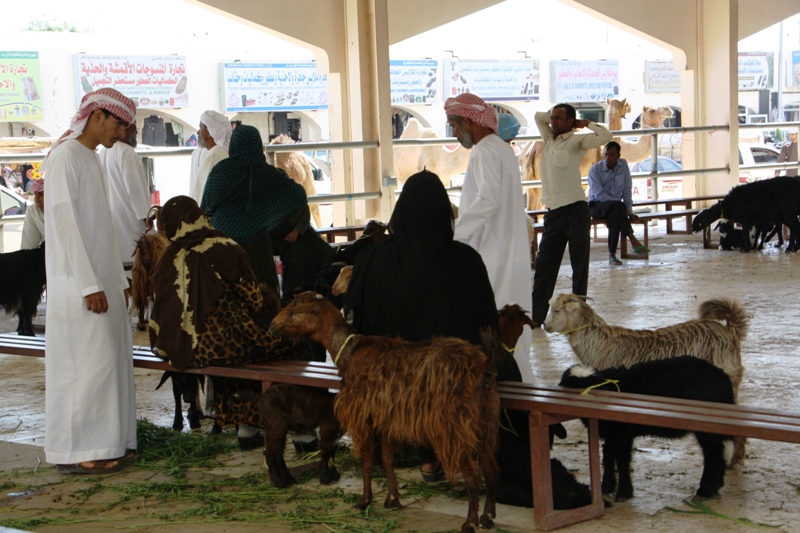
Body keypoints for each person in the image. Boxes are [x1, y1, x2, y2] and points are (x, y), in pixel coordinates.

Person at [344, 170, 517, 481]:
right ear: (443, 212)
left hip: (390, 378)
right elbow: (487, 324)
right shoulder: (464, 260)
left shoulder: (371, 258)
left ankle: (419, 454)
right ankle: (461, 454)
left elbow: (358, 321)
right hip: (448, 379)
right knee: (502, 366)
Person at [149, 195, 308, 449]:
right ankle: (302, 432)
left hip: (173, 347)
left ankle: (248, 428)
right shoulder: (223, 245)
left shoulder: (167, 257)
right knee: (293, 345)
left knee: (242, 347)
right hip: (217, 347)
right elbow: (253, 300)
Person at [42, 88, 137, 475]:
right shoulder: (65, 158)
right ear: (97, 116)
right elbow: (66, 226)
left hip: (102, 280)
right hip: (78, 285)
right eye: (118, 124)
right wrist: (89, 285)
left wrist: (118, 277)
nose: (122, 134)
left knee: (109, 363)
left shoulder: (91, 158)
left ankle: (112, 439)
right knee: (85, 368)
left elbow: (103, 229)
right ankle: (80, 448)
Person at [444, 93, 534, 383]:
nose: (455, 133)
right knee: (513, 327)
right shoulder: (502, 148)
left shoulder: (484, 151)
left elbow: (488, 201)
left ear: (469, 121)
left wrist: (453, 236)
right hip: (509, 249)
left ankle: (509, 395)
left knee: (495, 326)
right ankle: (521, 388)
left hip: (491, 253)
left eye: (455, 126)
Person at [201, 125, 326, 295]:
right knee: (264, 288)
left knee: (226, 292)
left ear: (233, 146)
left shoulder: (220, 171)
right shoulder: (269, 174)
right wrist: (268, 214)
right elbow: (297, 195)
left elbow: (206, 208)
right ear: (259, 146)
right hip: (256, 241)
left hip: (224, 243)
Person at [531, 104, 612, 325]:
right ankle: (536, 317)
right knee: (544, 266)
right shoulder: (549, 138)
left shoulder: (577, 141)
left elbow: (605, 135)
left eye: (559, 118)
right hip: (554, 213)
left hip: (576, 210)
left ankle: (580, 316)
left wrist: (584, 124)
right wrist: (552, 115)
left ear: (570, 122)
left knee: (579, 267)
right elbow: (538, 116)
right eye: (553, 118)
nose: (553, 121)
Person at [99, 120, 152, 269]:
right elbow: (134, 189)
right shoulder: (126, 152)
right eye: (134, 129)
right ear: (123, 129)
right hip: (130, 219)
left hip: (113, 218)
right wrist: (147, 218)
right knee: (137, 268)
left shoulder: (104, 152)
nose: (136, 133)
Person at [588, 141, 649, 265]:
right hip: (597, 205)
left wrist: (629, 211)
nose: (607, 158)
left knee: (614, 217)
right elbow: (598, 194)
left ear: (618, 156)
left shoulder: (623, 166)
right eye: (606, 155)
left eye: (611, 155)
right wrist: (622, 206)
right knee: (618, 207)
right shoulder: (595, 169)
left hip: (616, 209)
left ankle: (612, 256)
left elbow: (627, 190)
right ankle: (633, 240)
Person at [190, 110, 231, 202]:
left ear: (209, 133)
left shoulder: (215, 156)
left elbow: (207, 196)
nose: (198, 132)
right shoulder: (214, 153)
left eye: (200, 128)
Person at [20, 178, 45, 249]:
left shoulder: (64, 210)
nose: (36, 198)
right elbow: (29, 245)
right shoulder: (32, 210)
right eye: (35, 194)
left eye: (41, 194)